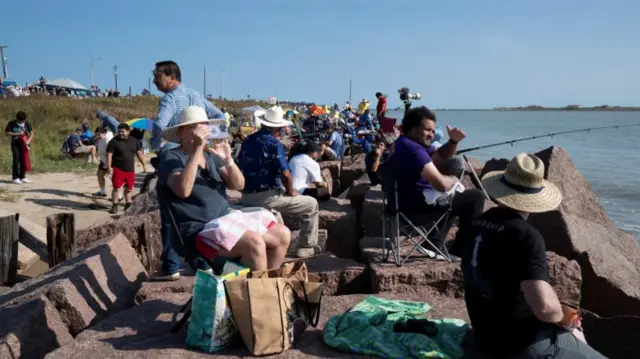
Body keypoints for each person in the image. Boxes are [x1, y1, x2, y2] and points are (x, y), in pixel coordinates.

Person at [461, 153, 606, 359]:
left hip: (484, 335)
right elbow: (545, 309)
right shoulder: (527, 236)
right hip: (519, 344)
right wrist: (567, 320)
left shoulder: (479, 222)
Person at [158, 106, 290, 273]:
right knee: (254, 243)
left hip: (224, 221)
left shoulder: (210, 156)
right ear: (180, 133)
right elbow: (183, 190)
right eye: (193, 126)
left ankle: (268, 288)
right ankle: (258, 293)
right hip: (198, 230)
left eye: (204, 125)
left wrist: (228, 161)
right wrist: (197, 149)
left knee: (282, 234)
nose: (201, 130)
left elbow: (239, 185)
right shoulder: (171, 157)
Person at [150, 60, 226, 281]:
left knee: (172, 211)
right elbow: (219, 115)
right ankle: (202, 259)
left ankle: (171, 266)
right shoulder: (195, 95)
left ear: (171, 77)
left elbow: (160, 126)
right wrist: (208, 138)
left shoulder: (170, 98)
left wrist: (159, 145)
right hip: (199, 153)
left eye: (158, 76)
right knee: (195, 207)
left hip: (176, 153)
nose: (155, 80)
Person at [383, 106, 485, 261]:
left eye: (432, 130)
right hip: (415, 211)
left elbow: (439, 154)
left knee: (452, 198)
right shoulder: (414, 150)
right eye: (427, 130)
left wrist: (453, 141)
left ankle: (433, 243)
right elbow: (441, 185)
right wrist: (453, 180)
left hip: (399, 207)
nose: (431, 134)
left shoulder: (403, 143)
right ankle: (461, 251)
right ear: (412, 128)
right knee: (475, 197)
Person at [239, 106, 321, 258]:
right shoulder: (275, 144)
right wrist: (291, 192)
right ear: (279, 127)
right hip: (267, 197)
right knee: (311, 205)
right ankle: (306, 247)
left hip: (246, 195)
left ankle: (280, 244)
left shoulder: (248, 140)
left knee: (277, 213)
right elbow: (285, 173)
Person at [106, 123, 147, 214]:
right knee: (116, 188)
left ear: (128, 131)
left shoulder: (134, 141)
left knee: (129, 188)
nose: (120, 133)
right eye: (119, 131)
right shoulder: (113, 142)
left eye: (123, 131)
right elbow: (109, 154)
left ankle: (128, 204)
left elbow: (139, 153)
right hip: (117, 168)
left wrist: (144, 163)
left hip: (130, 170)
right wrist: (109, 167)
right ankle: (115, 205)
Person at [5, 111, 34, 184]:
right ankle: (15, 178)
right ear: (17, 119)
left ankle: (22, 177)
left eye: (23, 120)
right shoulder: (11, 123)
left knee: (24, 159)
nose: (22, 122)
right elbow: (7, 133)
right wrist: (17, 133)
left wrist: (29, 140)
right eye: (20, 121)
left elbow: (32, 133)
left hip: (24, 144)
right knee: (16, 159)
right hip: (15, 144)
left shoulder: (26, 123)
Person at [93, 127, 114, 197]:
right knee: (99, 175)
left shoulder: (108, 140)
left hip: (111, 161)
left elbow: (111, 153)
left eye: (99, 134)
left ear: (104, 133)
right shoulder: (100, 138)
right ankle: (102, 192)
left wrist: (109, 166)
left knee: (113, 177)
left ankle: (119, 196)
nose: (97, 136)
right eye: (96, 135)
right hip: (103, 160)